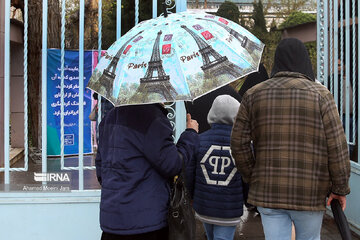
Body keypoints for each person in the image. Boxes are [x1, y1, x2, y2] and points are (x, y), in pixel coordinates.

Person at [231, 38, 351, 240]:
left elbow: (238, 143)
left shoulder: (253, 95)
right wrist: (339, 188)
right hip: (310, 193)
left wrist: (253, 176)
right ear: (305, 61)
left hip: (268, 192)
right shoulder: (322, 95)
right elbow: (337, 146)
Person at [95, 103, 199, 240]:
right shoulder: (152, 118)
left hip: (112, 220)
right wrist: (190, 134)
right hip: (146, 223)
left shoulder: (109, 117)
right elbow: (172, 165)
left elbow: (101, 169)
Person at [186, 95, 244, 240]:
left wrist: (191, 195)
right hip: (229, 209)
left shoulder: (199, 140)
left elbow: (189, 172)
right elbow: (247, 176)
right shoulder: (242, 144)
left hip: (204, 205)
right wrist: (247, 199)